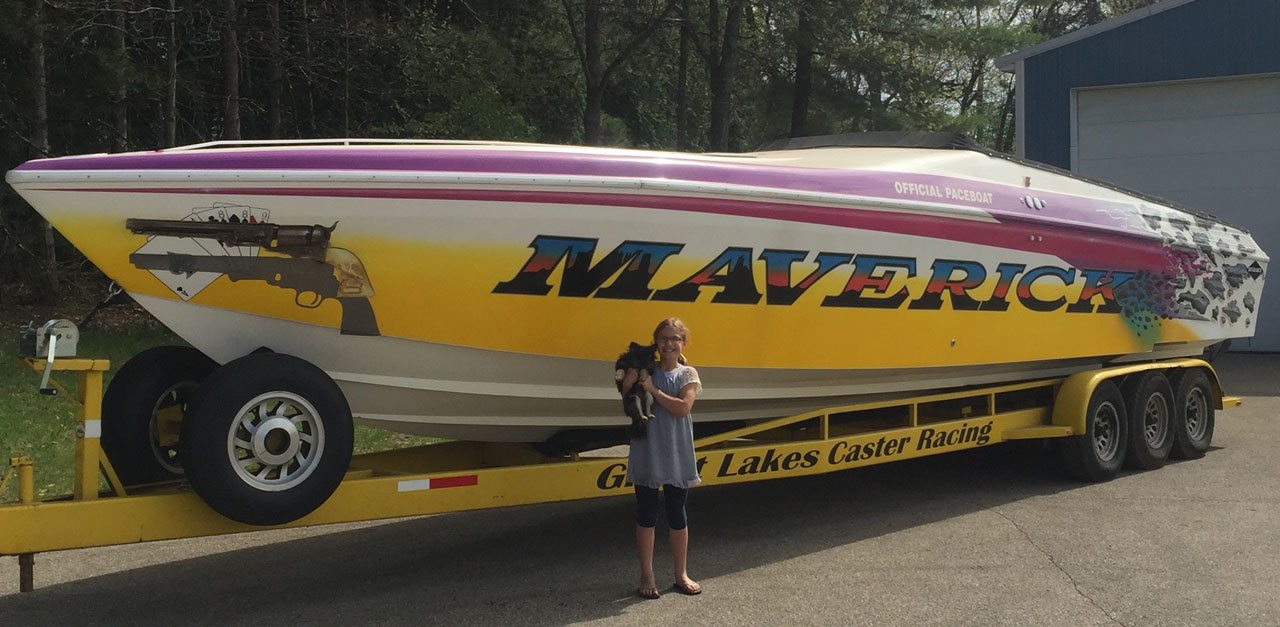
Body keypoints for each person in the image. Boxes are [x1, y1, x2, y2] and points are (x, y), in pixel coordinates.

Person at [620, 317, 702, 600]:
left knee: (677, 512)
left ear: (683, 343)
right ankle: (647, 574)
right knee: (646, 512)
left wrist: (652, 389)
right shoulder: (646, 369)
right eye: (663, 339)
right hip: (647, 447)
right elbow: (626, 395)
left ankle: (681, 573)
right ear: (656, 342)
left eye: (674, 339)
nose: (668, 344)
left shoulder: (688, 373)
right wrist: (628, 381)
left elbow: (682, 408)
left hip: (676, 449)